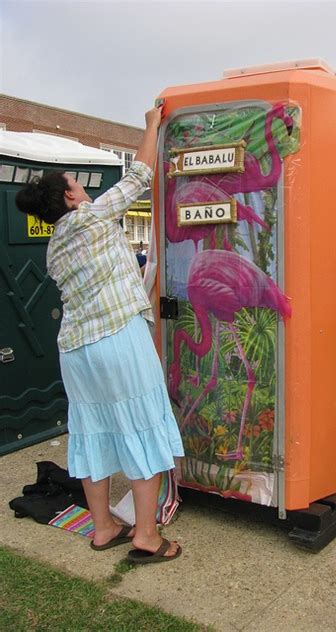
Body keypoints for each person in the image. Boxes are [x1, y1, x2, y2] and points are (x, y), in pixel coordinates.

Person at [16, 105, 185, 565]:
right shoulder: (90, 219)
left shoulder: (53, 247)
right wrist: (151, 124)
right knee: (142, 428)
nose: (84, 188)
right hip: (118, 341)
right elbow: (141, 176)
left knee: (90, 432)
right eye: (78, 184)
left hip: (75, 352)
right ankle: (146, 536)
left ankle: (104, 527)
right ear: (71, 198)